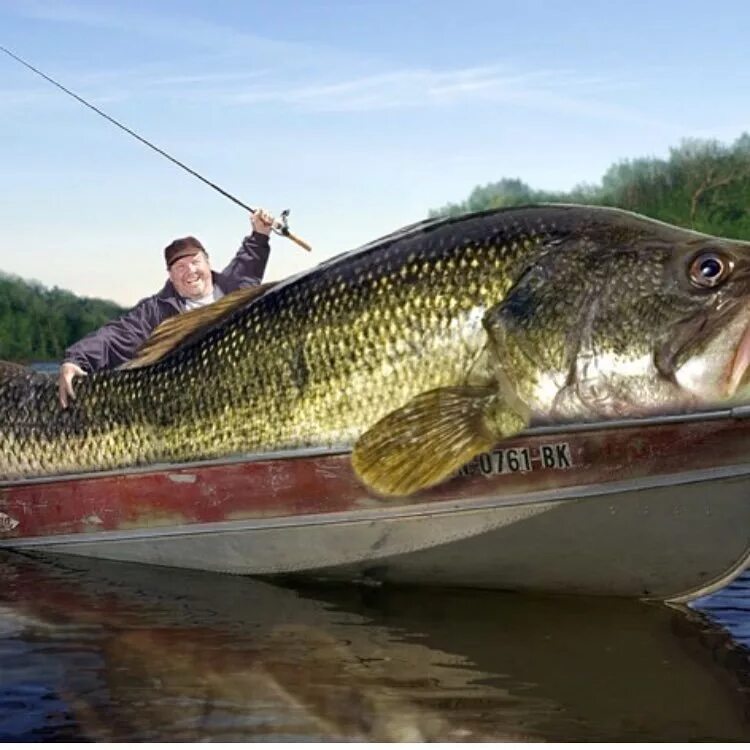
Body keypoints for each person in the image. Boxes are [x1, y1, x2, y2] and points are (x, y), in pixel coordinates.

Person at [58, 209, 275, 407]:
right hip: (193, 400)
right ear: (170, 276)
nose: (190, 271)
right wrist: (75, 360)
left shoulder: (237, 287)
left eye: (195, 262)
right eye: (179, 266)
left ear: (208, 263)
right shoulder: (156, 311)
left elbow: (250, 258)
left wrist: (260, 232)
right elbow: (114, 337)